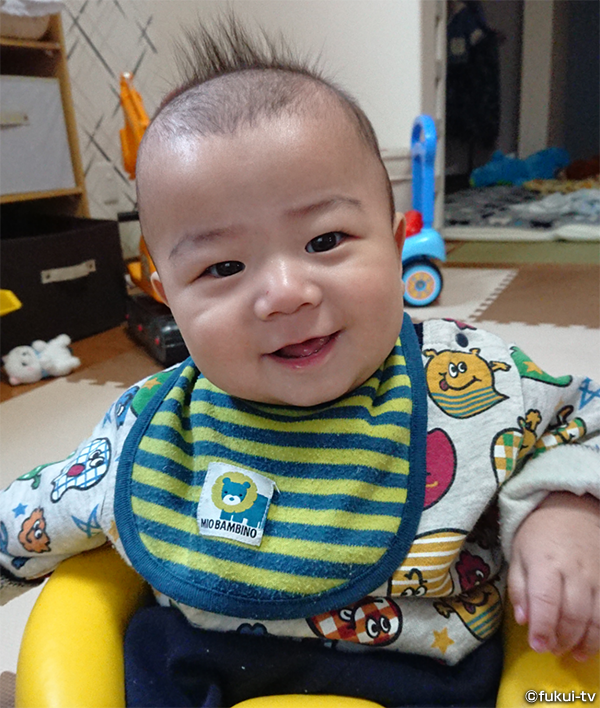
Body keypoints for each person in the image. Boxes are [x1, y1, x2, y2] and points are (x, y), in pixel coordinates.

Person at [2, 18, 600, 708]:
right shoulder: (155, 424)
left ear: (395, 244)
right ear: (165, 296)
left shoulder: (469, 378)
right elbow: (32, 515)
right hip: (195, 676)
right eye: (223, 267)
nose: (286, 293)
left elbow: (580, 424)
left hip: (432, 680)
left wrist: (563, 511)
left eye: (325, 240)